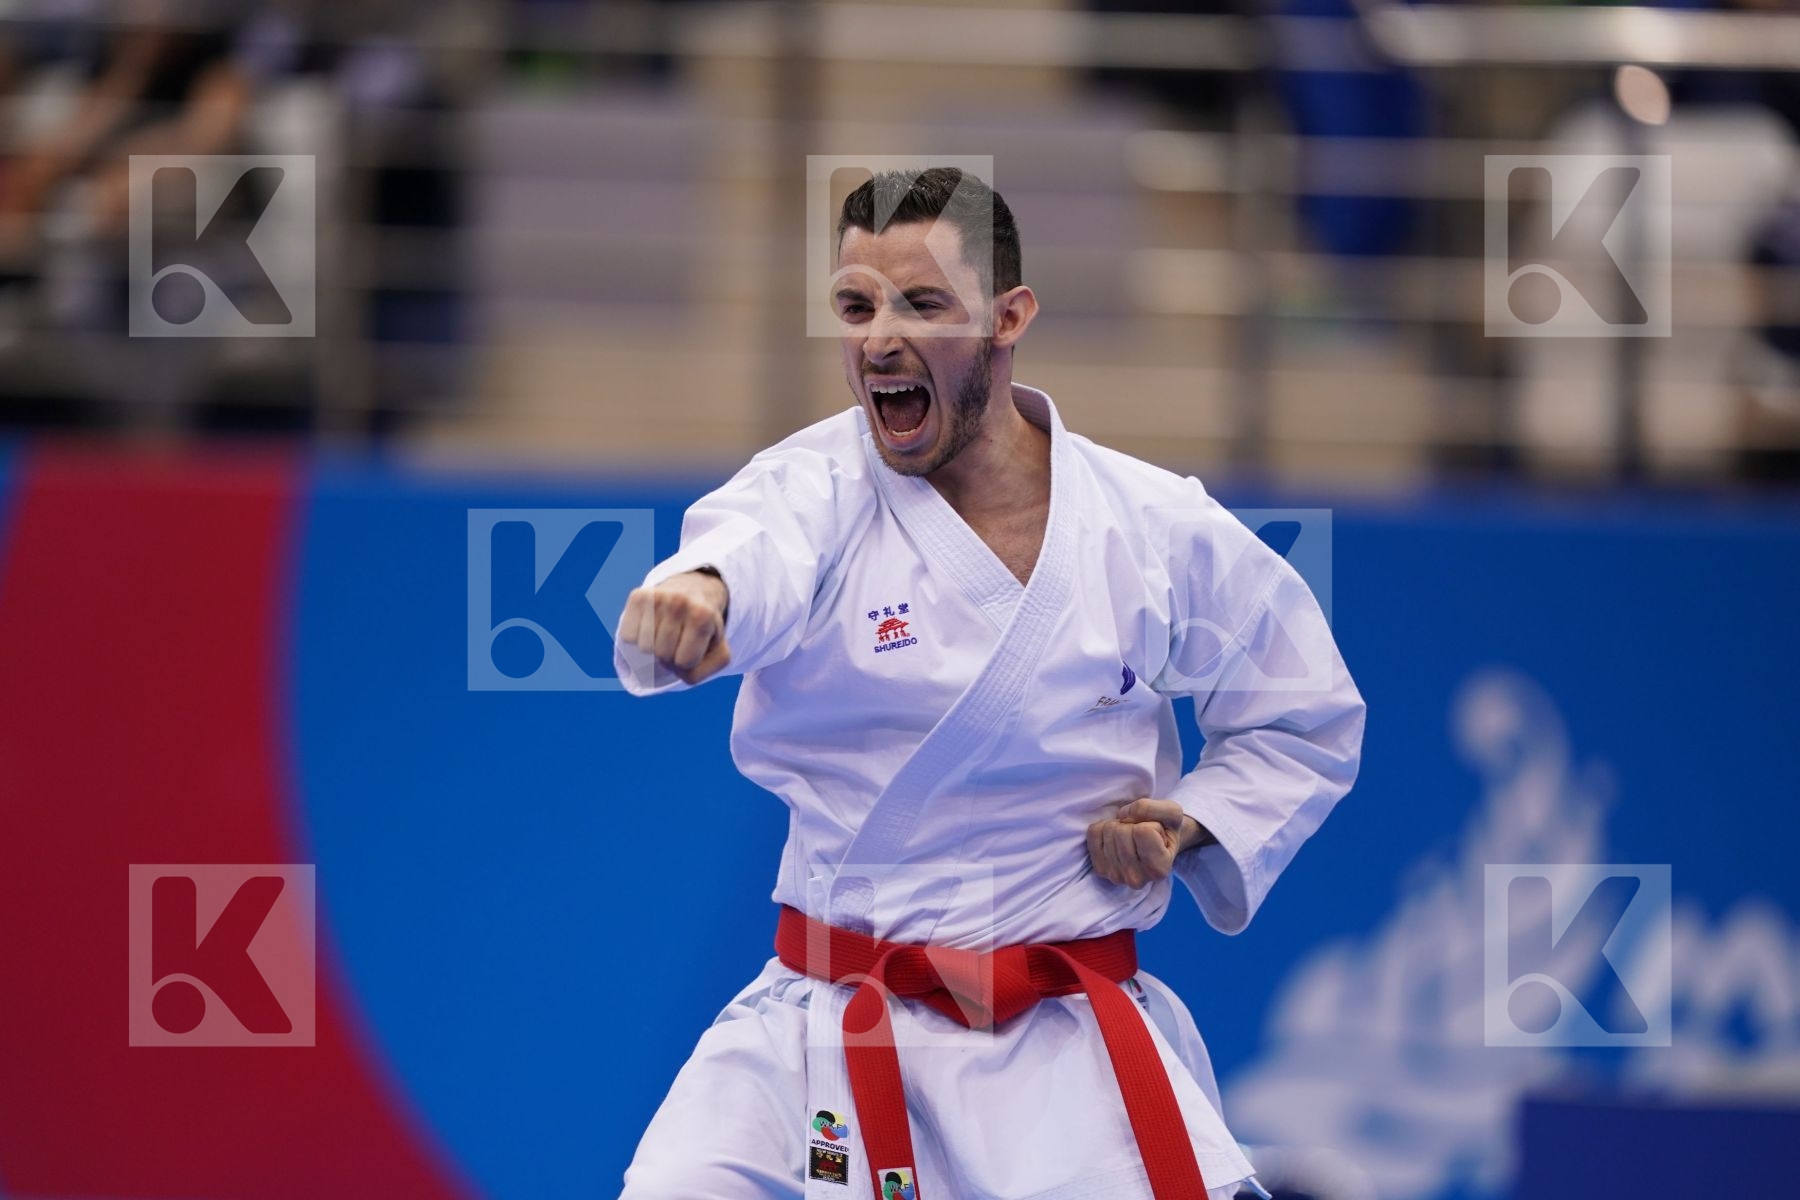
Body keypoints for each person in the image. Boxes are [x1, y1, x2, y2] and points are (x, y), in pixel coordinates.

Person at [613, 167, 1365, 1200]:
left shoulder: (1151, 526)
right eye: (855, 305)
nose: (880, 339)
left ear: (1011, 318)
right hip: (827, 1026)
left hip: (1065, 1044)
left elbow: (1304, 711)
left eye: (923, 304)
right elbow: (752, 548)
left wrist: (1191, 823)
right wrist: (698, 596)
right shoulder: (816, 488)